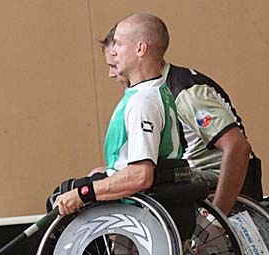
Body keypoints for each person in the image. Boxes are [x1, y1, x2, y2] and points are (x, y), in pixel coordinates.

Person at [99, 27, 259, 216]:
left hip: (218, 182)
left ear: (139, 50)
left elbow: (238, 148)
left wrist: (217, 219)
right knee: (105, 175)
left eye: (114, 65)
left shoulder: (185, 94)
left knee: (134, 180)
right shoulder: (151, 91)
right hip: (188, 175)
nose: (111, 74)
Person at [52, 13, 182, 216]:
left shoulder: (143, 102)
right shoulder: (156, 91)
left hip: (135, 207)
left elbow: (140, 176)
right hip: (148, 196)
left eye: (119, 44)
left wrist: (83, 194)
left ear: (140, 49)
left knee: (61, 196)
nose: (113, 51)